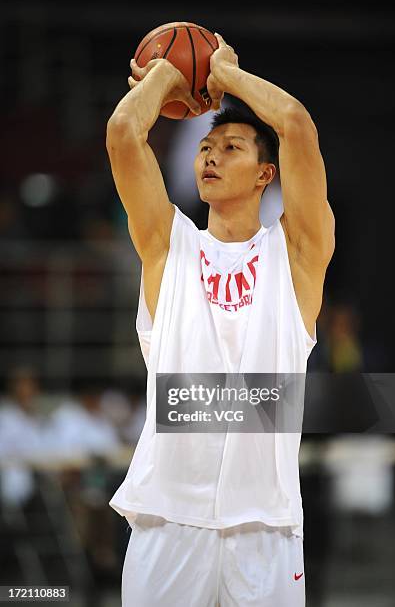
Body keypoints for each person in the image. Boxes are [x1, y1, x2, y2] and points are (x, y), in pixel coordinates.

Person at [106, 32, 335, 607]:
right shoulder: (168, 244)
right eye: (206, 145)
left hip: (265, 527)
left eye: (232, 147)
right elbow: (122, 133)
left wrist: (224, 74)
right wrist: (164, 76)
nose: (210, 154)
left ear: (266, 177)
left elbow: (298, 128)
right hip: (168, 517)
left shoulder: (296, 255)